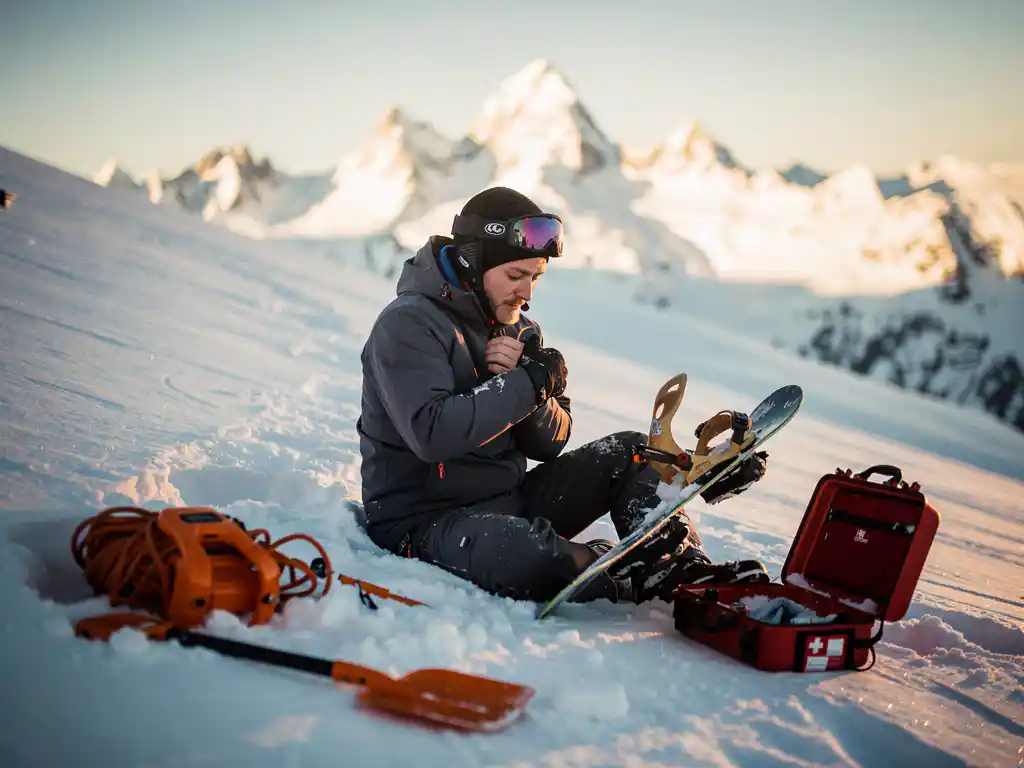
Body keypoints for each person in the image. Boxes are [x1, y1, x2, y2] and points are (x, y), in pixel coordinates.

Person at [355, 186, 770, 605]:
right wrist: (528, 384)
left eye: (535, 277)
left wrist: (537, 385)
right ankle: (612, 569)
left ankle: (679, 565)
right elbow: (432, 434)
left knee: (630, 451)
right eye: (515, 276)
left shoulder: (518, 328)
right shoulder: (408, 325)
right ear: (472, 263)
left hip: (509, 502)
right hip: (424, 522)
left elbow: (552, 443)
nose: (527, 293)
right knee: (524, 554)